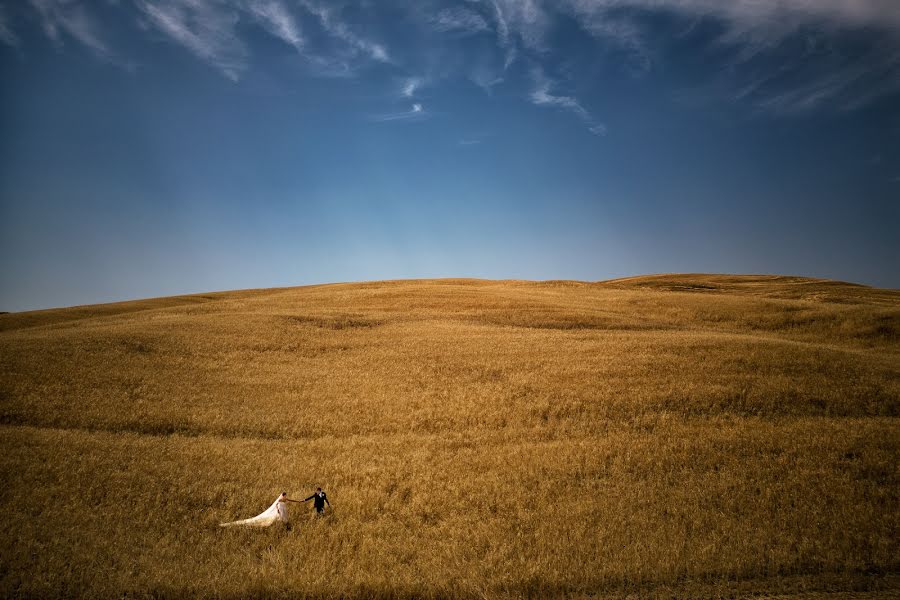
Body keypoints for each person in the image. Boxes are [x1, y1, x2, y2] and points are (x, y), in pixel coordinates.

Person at [220, 491, 302, 528]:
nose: (285, 497)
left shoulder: (285, 499)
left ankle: (285, 526)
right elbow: (276, 504)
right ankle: (284, 526)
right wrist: (277, 509)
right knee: (278, 518)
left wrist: (299, 501)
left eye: (285, 495)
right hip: (280, 510)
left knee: (283, 518)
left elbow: (291, 500)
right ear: (282, 496)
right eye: (284, 495)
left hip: (283, 510)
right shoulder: (280, 500)